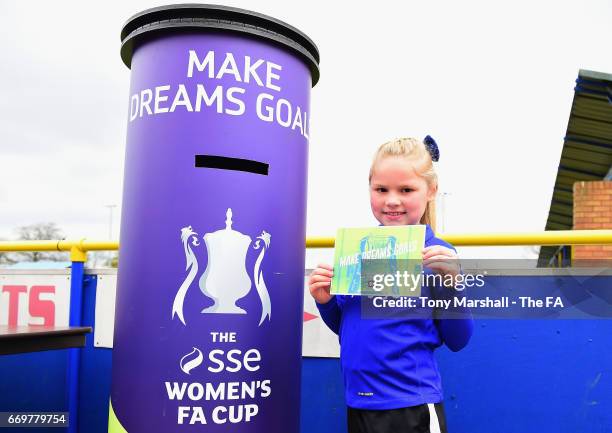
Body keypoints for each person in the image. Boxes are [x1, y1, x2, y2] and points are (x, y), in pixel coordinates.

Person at [308, 136, 473, 433]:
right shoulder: (357, 250)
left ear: (431, 190)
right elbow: (349, 326)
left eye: (406, 189)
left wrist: (452, 285)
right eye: (381, 189)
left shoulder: (437, 256)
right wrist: (326, 302)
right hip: (359, 402)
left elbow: (459, 340)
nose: (392, 200)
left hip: (411, 406)